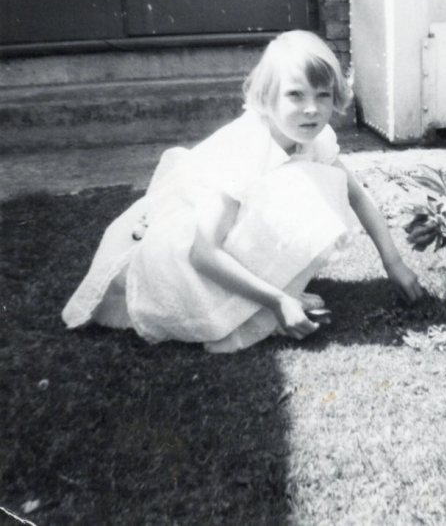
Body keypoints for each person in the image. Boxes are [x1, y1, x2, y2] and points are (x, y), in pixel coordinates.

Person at [62, 30, 424, 353]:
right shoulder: (246, 148)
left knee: (325, 184)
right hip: (177, 261)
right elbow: (203, 253)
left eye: (323, 95)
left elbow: (356, 195)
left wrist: (393, 262)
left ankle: (272, 293)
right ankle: (258, 303)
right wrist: (277, 301)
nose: (312, 109)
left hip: (213, 246)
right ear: (268, 97)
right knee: (301, 191)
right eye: (295, 95)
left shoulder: (315, 138)